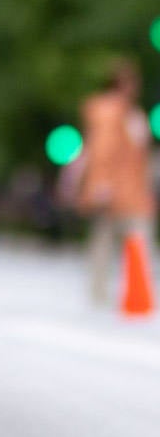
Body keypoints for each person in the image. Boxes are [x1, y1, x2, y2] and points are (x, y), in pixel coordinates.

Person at [75, 59, 156, 304]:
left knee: (124, 242)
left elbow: (140, 156)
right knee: (108, 243)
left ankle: (130, 291)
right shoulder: (107, 111)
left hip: (133, 192)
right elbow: (102, 152)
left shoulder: (133, 113)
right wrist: (101, 185)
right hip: (113, 191)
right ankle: (102, 295)